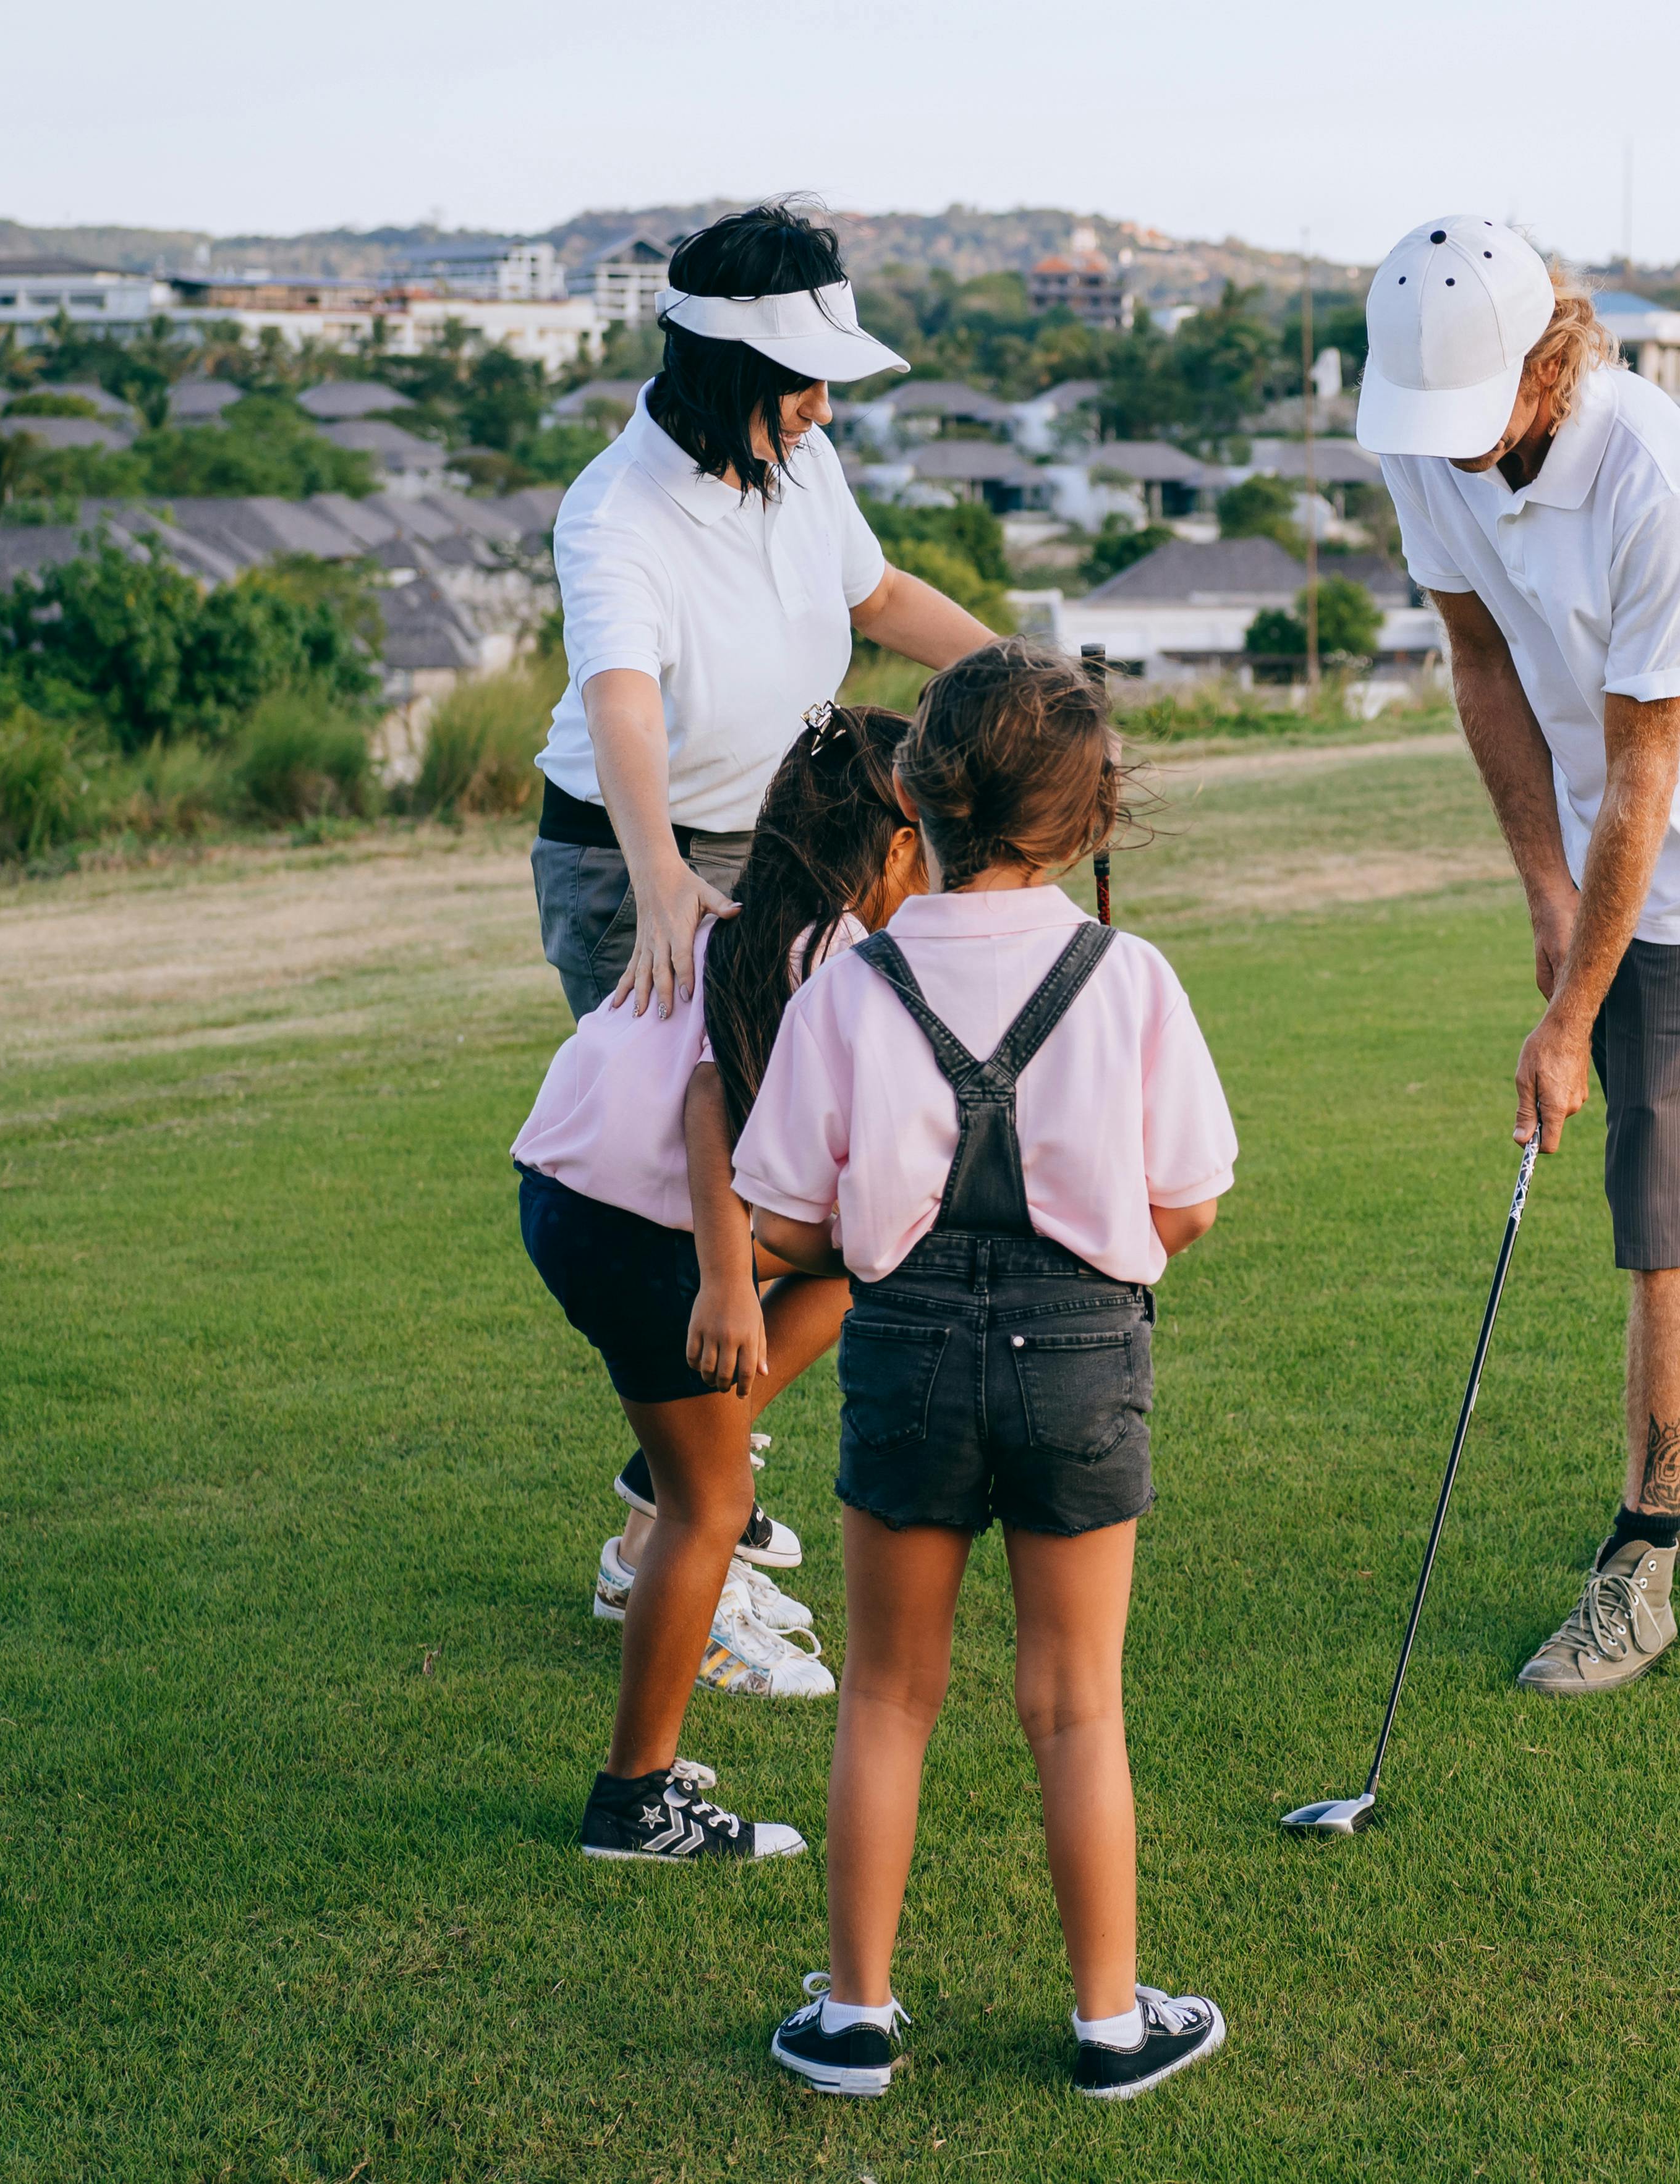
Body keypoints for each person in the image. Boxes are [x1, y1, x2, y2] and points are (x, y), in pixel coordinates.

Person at [1357, 218, 1680, 1697]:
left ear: (1550, 359)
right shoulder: (1428, 447)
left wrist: (1570, 1013)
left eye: (1472, 419)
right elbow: (1480, 665)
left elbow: (1650, 777)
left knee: (1666, 1212)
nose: (1446, 452)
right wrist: (1540, 887)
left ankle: (1636, 1570)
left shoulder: (1655, 479)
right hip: (1596, 842)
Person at [734, 642, 1237, 2101]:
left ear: (911, 792)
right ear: (1092, 823)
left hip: (904, 1348)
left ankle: (852, 2020)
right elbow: (1190, 1200)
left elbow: (779, 1217)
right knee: (1077, 1700)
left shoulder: (848, 986)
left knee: (888, 1694)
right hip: (1083, 1349)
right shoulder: (1128, 975)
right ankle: (1107, 2024)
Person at [530, 197, 998, 1579]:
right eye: (802, 386)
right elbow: (620, 701)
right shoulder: (616, 511)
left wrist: (1030, 683)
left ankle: (683, 1479)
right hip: (640, 866)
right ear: (729, 373)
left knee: (819, 1182)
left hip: (782, 847)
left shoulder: (792, 469)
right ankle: (679, 1529)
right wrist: (664, 874)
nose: (823, 414)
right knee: (707, 1197)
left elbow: (882, 598)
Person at [514, 703, 930, 1861]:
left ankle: (687, 1441)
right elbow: (711, 1101)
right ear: (896, 849)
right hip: (642, 1225)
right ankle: (635, 1800)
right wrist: (725, 1284)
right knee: (709, 1509)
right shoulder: (830, 952)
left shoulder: (759, 915)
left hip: (564, 1192)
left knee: (863, 1253)